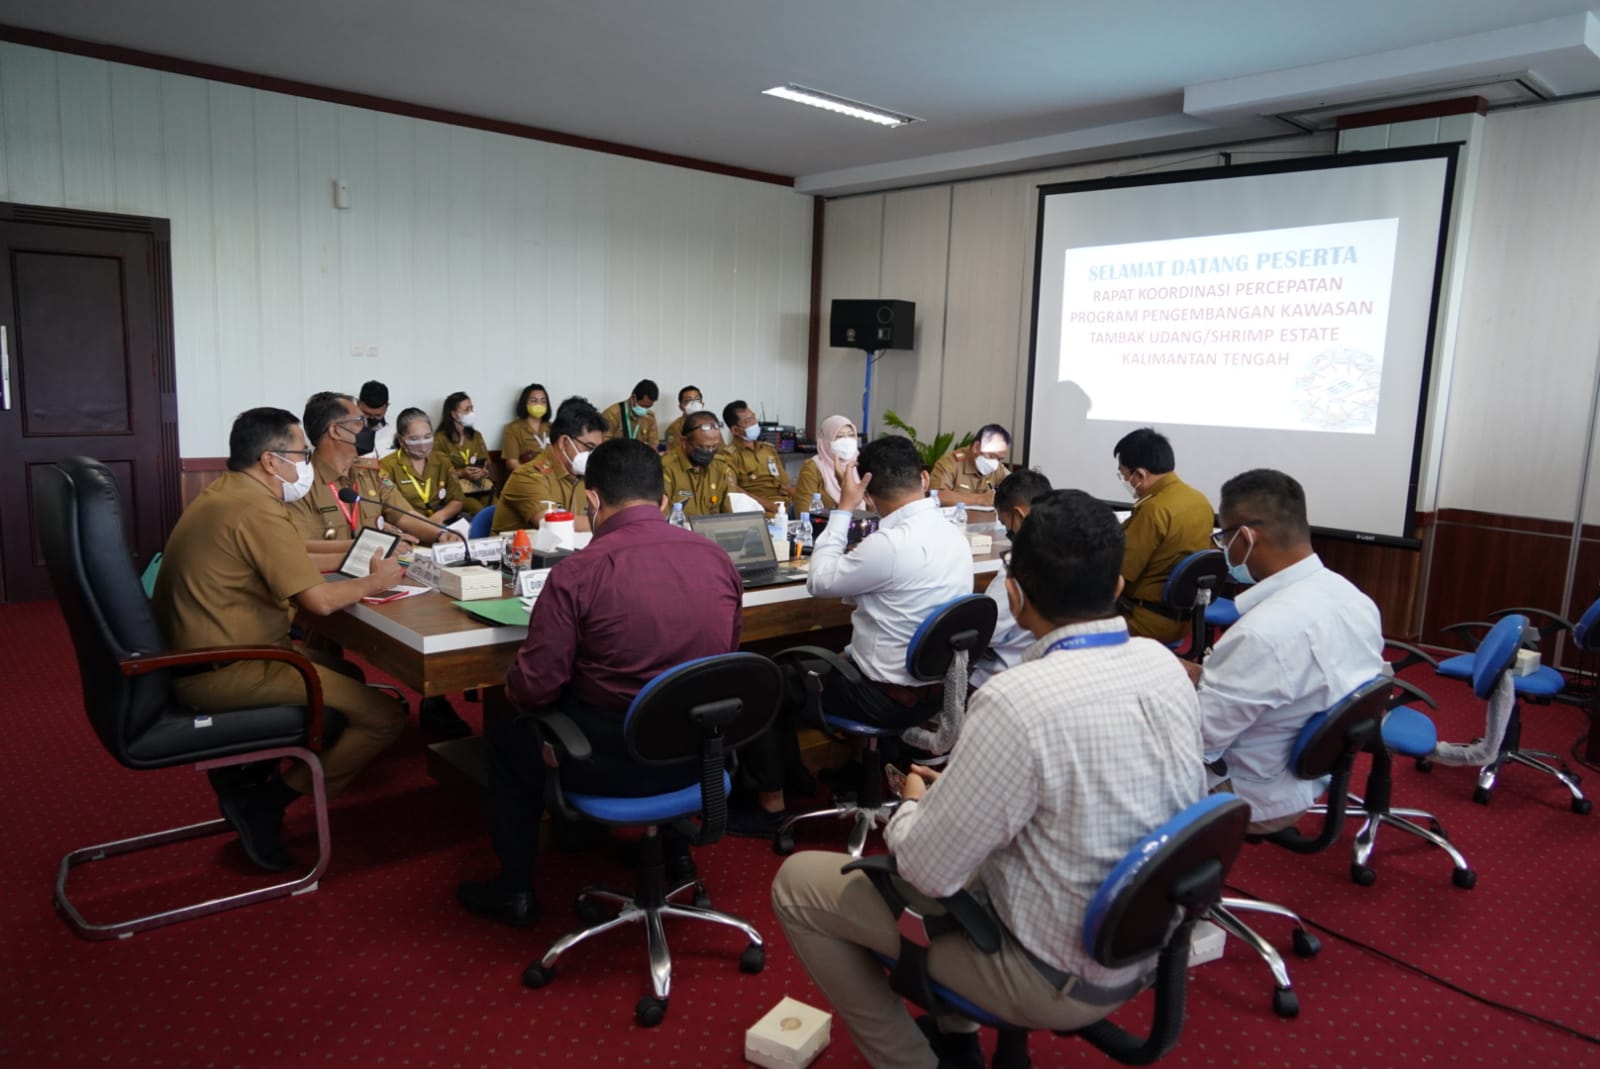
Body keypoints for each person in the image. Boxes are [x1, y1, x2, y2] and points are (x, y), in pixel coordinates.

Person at [772, 490, 1205, 1069]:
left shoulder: (1016, 700)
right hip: (1141, 947)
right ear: (1119, 588)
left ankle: (908, 1060)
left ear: (1016, 596)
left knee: (799, 883)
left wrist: (913, 806)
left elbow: (925, 870)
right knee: (979, 845)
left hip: (1046, 971)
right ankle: (957, 1035)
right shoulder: (1164, 666)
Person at [456, 438, 743, 927]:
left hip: (608, 764)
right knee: (674, 703)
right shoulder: (717, 559)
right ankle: (676, 856)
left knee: (507, 739)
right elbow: (723, 659)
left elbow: (534, 689)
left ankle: (515, 890)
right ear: (664, 496)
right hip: (701, 756)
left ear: (591, 500)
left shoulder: (578, 573)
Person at [151, 407, 410, 872]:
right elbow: (321, 603)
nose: (304, 463)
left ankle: (247, 777)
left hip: (213, 653)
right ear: (271, 460)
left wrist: (364, 547)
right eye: (299, 453)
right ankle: (267, 803)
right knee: (384, 716)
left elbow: (298, 550)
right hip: (228, 667)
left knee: (347, 672)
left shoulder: (233, 495)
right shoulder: (253, 508)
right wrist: (378, 579)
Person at [732, 435, 973, 835]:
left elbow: (820, 580)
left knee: (766, 679)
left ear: (866, 488)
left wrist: (844, 507)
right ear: (926, 478)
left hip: (880, 698)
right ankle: (839, 772)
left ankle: (771, 804)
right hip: (933, 692)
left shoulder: (890, 544)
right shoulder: (953, 537)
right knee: (826, 658)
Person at [1197, 469, 1384, 834]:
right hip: (1307, 777)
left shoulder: (1262, 635)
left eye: (1223, 538)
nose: (1224, 550)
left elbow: (1196, 743)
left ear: (1247, 537)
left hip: (1246, 793)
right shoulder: (1354, 599)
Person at [286, 392, 458, 556]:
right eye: (360, 420)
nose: (368, 427)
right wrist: (373, 546)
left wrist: (441, 534)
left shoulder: (370, 473)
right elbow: (302, 549)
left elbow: (403, 515)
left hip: (378, 572)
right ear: (336, 431)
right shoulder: (300, 484)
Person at [1113, 427, 1216, 644]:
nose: (1126, 481)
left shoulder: (1153, 509)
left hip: (1143, 621)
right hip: (1185, 620)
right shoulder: (1200, 500)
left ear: (1140, 474)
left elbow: (1121, 572)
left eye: (1124, 474)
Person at [970, 468, 1052, 688]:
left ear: (1019, 514)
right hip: (1049, 671)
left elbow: (986, 632)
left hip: (1004, 676)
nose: (1008, 532)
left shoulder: (1020, 564)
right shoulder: (1068, 550)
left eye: (1006, 525)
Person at [493, 396, 606, 534]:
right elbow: (552, 524)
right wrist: (610, 522)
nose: (593, 455)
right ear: (564, 442)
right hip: (517, 554)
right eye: (589, 447)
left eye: (597, 450)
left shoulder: (583, 476)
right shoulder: (528, 476)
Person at [377, 408, 466, 527]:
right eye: (414, 439)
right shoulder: (387, 466)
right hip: (406, 526)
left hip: (440, 523)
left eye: (427, 436)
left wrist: (440, 516)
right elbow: (391, 507)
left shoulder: (442, 460)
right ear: (401, 441)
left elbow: (457, 499)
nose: (423, 444)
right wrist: (423, 525)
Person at [660, 410, 741, 516]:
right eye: (704, 447)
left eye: (714, 446)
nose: (710, 451)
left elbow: (731, 514)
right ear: (684, 442)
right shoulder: (665, 468)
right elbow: (660, 518)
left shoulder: (720, 468)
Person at [721, 400, 794, 515]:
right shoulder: (728, 456)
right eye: (748, 421)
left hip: (787, 506)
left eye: (753, 417)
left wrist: (804, 502)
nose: (754, 423)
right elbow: (734, 490)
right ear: (735, 430)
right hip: (760, 510)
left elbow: (786, 485)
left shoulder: (768, 449)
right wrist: (768, 505)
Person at [435, 391, 496, 515]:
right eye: (466, 410)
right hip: (456, 489)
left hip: (479, 486)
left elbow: (486, 463)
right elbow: (438, 472)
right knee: (478, 511)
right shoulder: (439, 439)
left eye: (472, 408)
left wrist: (482, 471)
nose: (471, 413)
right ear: (454, 414)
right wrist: (461, 473)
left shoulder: (476, 436)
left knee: (498, 509)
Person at [929, 423, 1011, 507]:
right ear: (976, 447)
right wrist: (981, 499)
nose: (995, 463)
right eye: (992, 456)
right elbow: (938, 496)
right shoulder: (949, 463)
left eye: (999, 459)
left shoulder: (998, 469)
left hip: (985, 519)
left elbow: (1014, 489)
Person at [792, 414, 858, 515]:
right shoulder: (812, 467)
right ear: (826, 440)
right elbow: (803, 514)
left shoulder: (862, 463)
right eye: (839, 436)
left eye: (851, 435)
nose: (846, 441)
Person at [500, 383, 554, 473]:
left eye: (543, 401)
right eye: (534, 401)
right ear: (525, 403)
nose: (539, 405)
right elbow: (512, 463)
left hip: (551, 475)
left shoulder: (553, 428)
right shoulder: (513, 429)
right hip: (528, 476)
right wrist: (532, 475)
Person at [602, 379, 660, 450]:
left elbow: (653, 442)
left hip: (640, 458)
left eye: (648, 407)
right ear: (633, 398)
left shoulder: (649, 417)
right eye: (643, 406)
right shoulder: (612, 414)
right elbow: (604, 443)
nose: (645, 410)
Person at [661, 385, 706, 454]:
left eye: (697, 399)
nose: (694, 403)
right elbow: (674, 455)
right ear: (681, 407)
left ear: (702, 404)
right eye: (688, 400)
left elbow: (721, 449)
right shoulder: (674, 428)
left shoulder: (711, 423)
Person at [355, 380, 390, 459]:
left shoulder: (397, 428)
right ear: (358, 403)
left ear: (387, 406)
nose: (372, 419)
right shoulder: (345, 428)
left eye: (378, 415)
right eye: (367, 414)